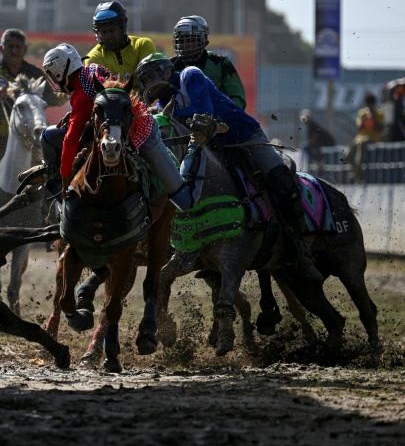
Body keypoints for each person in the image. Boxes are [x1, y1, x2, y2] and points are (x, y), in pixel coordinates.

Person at [134, 54, 324, 282]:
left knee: (281, 181)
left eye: (151, 76)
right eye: (144, 80)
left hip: (245, 137)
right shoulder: (163, 105)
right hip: (214, 148)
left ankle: (302, 251)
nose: (148, 84)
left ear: (166, 72)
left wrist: (162, 115)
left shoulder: (189, 75)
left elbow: (202, 111)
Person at [22, 43, 211, 213]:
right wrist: (73, 116)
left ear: (60, 70)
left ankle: (195, 147)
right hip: (117, 132)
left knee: (186, 201)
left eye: (51, 74)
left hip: (143, 134)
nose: (53, 81)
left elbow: (70, 140)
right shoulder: (91, 70)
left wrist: (64, 179)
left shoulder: (82, 96)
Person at [0, 29, 65, 202]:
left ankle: (50, 215)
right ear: (1, 49)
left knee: (48, 173)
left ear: (25, 49)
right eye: (10, 47)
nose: (14, 51)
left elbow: (53, 99)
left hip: (26, 140)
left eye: (18, 47)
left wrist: (70, 92)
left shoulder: (34, 73)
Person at [169, 15, 247, 110]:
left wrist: (224, 113)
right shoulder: (169, 66)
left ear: (203, 40)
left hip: (213, 119)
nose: (185, 46)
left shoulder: (221, 63)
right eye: (181, 41)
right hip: (177, 118)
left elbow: (238, 97)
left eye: (191, 41)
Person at [83, 0, 157, 81]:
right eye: (103, 32)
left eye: (112, 30)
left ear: (123, 25)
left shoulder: (143, 45)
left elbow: (151, 82)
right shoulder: (93, 58)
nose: (108, 36)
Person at [344, 92, 385, 182]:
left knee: (362, 145)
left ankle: (359, 171)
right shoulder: (362, 113)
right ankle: (357, 171)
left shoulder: (379, 114)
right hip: (360, 138)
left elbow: (380, 128)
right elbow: (359, 128)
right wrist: (364, 118)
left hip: (373, 138)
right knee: (347, 154)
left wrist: (373, 116)